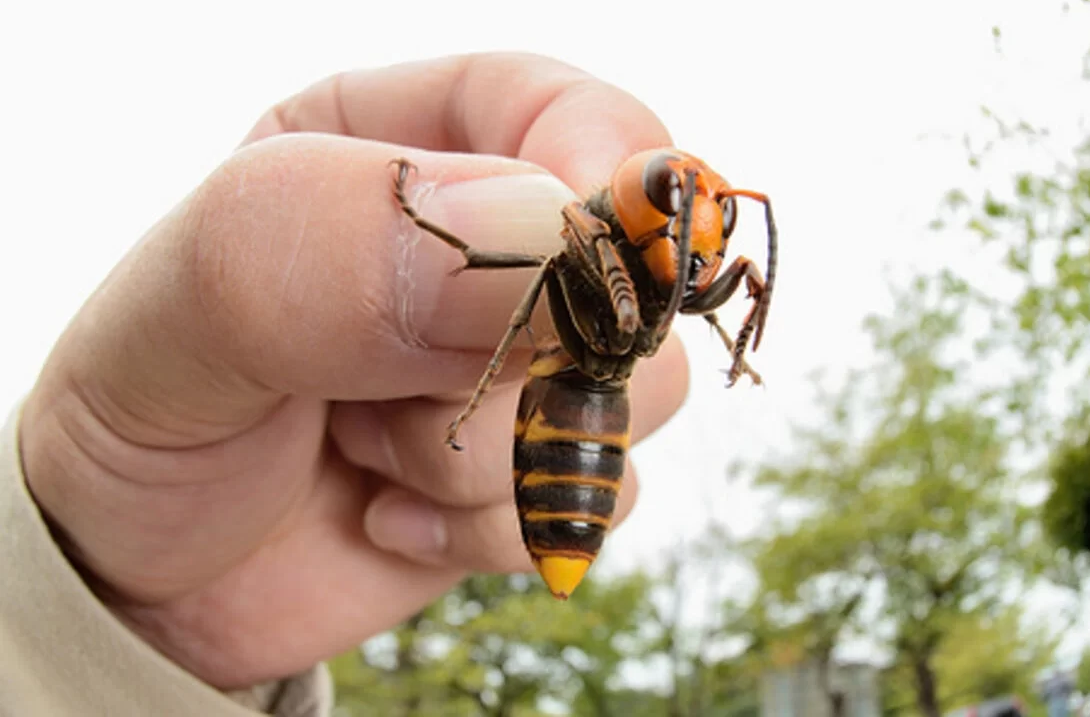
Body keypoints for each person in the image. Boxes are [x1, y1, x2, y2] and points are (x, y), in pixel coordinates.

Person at [0, 53, 691, 715]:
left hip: (584, 418)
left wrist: (130, 636)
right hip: (571, 423)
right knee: (542, 265)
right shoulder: (583, 224)